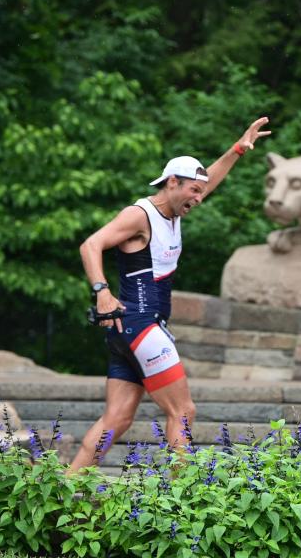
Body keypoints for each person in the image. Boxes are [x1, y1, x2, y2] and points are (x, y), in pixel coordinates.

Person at [68, 116, 271, 472]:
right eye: (193, 190)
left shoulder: (174, 212)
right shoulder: (140, 214)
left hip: (127, 331)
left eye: (200, 191)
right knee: (183, 411)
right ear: (172, 182)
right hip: (139, 324)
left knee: (116, 418)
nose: (199, 197)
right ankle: (184, 499)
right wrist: (101, 290)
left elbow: (209, 180)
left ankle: (64, 488)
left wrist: (238, 149)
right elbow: (91, 245)